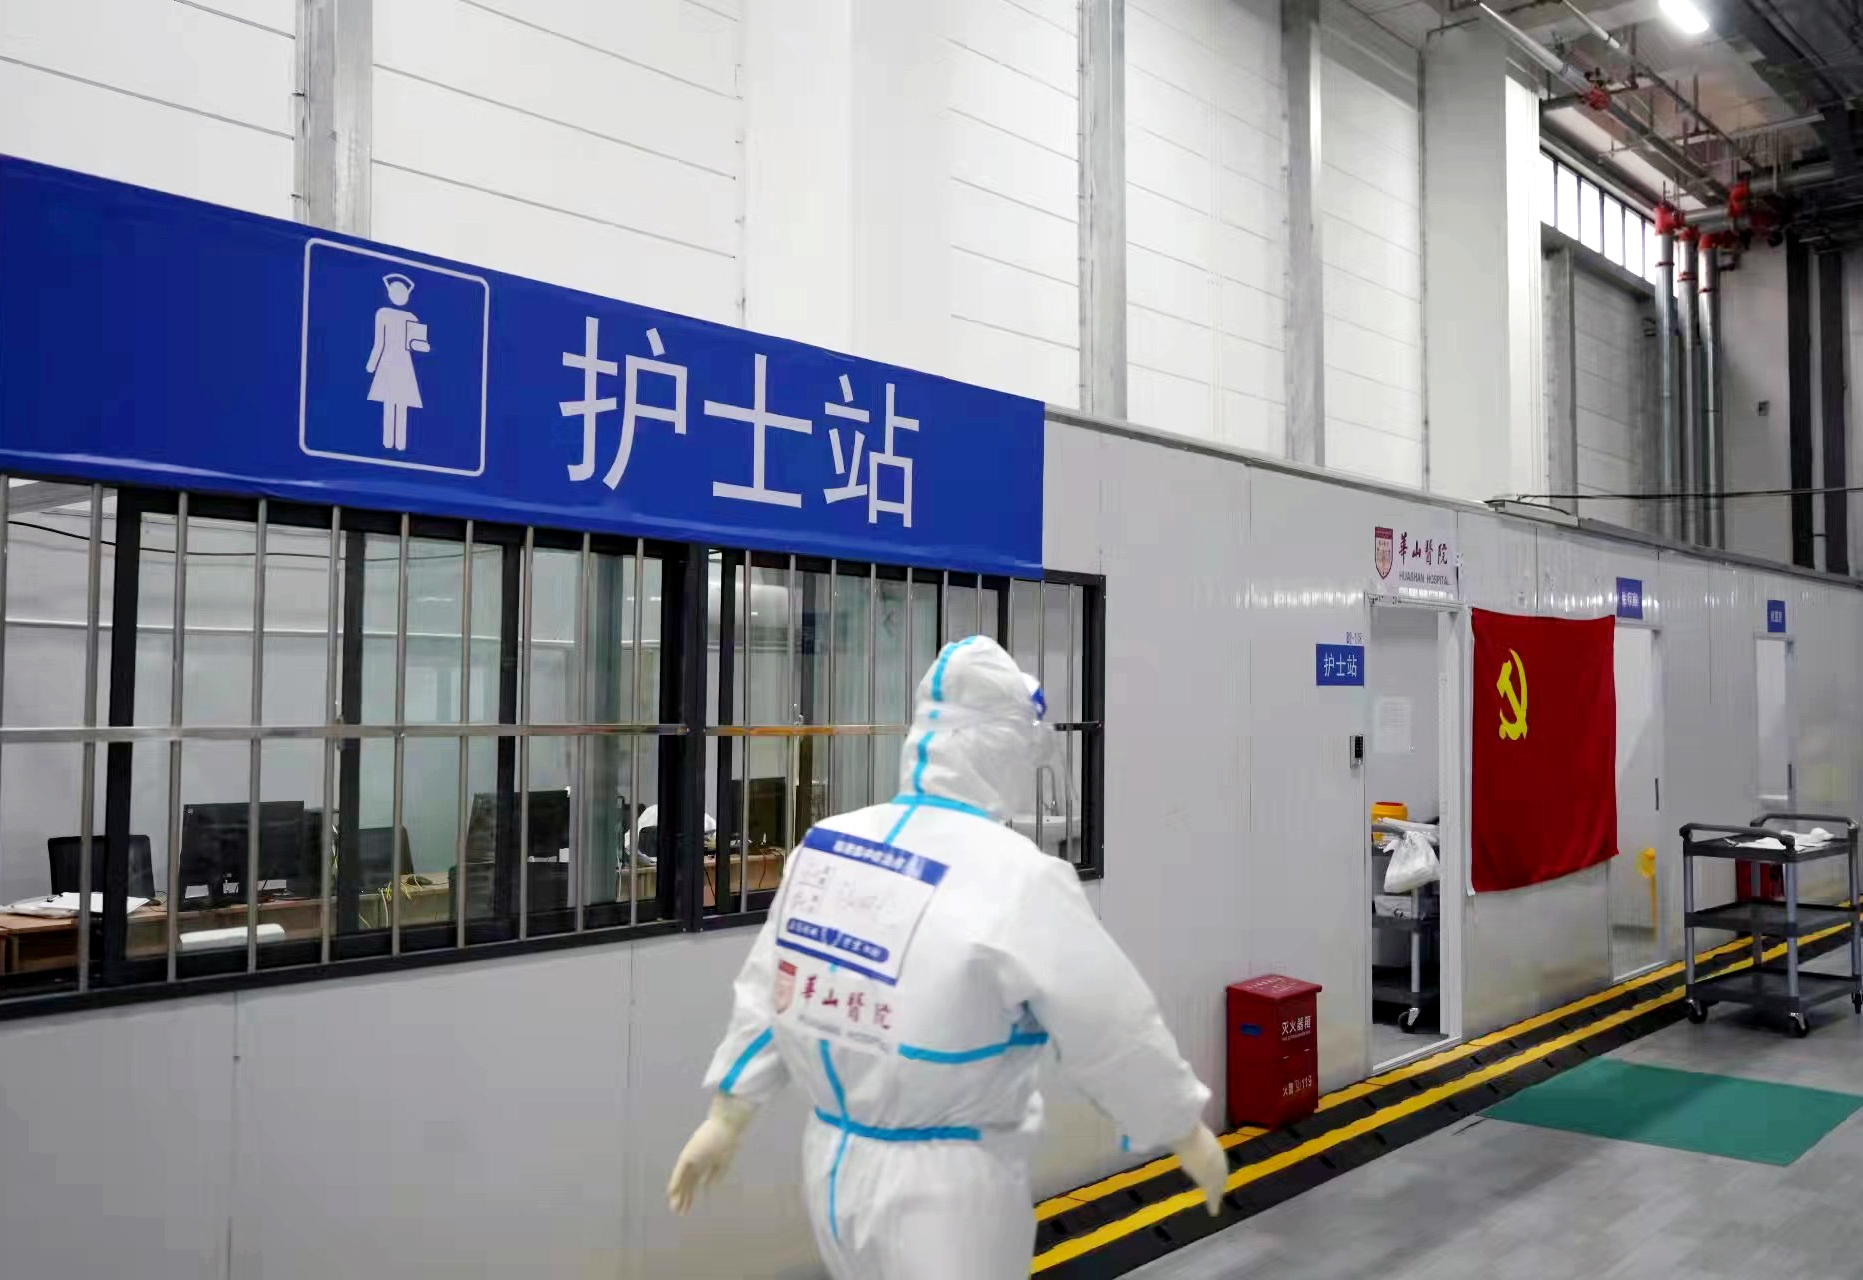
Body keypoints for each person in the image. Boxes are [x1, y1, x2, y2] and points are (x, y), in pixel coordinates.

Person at [667, 636, 1226, 1279]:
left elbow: (773, 988)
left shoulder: (831, 845)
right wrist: (1183, 1127)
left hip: (831, 1173)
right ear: (1004, 749)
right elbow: (1109, 1024)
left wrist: (728, 1115)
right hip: (949, 1194)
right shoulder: (1016, 877)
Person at [365, 273, 426, 452]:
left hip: (397, 364)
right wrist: (372, 365)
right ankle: (392, 445)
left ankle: (396, 445)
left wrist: (371, 366)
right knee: (395, 403)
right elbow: (380, 343)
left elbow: (382, 343)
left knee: (396, 403)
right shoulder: (385, 314)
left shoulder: (404, 316)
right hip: (396, 364)